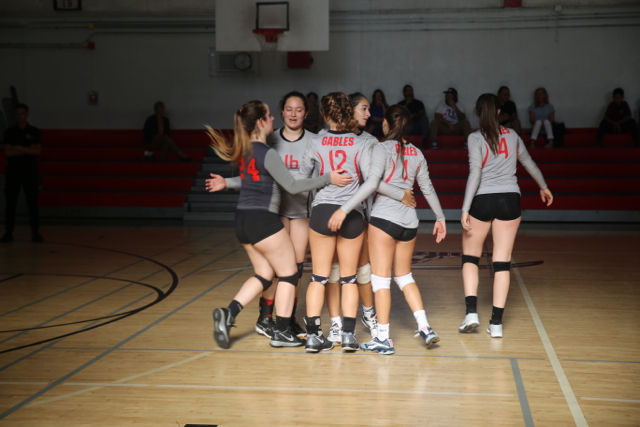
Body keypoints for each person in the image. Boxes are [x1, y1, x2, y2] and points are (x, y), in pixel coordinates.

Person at [205, 100, 352, 349]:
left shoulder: (246, 150)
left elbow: (250, 181)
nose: (274, 118)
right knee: (289, 274)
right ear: (261, 121)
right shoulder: (267, 152)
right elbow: (292, 186)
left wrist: (226, 183)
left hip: (243, 220)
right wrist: (329, 178)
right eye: (270, 115)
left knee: (264, 275)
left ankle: (229, 313)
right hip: (263, 220)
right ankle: (282, 331)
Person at [299, 92, 406, 353]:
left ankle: (314, 336)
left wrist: (324, 179)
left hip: (322, 211)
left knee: (319, 277)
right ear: (348, 114)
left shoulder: (315, 141)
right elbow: (372, 183)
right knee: (349, 278)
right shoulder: (362, 144)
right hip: (352, 215)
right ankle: (348, 335)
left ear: (324, 116)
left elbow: (301, 181)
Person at [324, 93, 415, 346]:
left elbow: (374, 183)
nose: (369, 114)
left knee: (362, 269)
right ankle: (335, 324)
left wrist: (396, 196)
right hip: (331, 212)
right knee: (332, 270)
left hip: (359, 214)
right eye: (363, 109)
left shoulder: (371, 141)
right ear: (349, 111)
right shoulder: (326, 138)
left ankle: (368, 314)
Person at [460, 94, 553, 339]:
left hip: (484, 199)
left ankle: (471, 314)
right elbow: (529, 163)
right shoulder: (512, 136)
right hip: (510, 199)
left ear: (478, 112)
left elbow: (475, 173)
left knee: (470, 258)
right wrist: (543, 186)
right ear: (500, 111)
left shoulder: (474, 137)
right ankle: (497, 323)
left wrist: (465, 208)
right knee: (502, 263)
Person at [360, 105, 447, 355]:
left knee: (380, 281)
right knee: (404, 277)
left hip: (384, 219)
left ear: (385, 124)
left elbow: (373, 183)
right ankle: (426, 328)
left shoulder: (380, 148)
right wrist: (439, 218)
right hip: (410, 221)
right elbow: (428, 189)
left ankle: (384, 340)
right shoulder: (417, 153)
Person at [253, 91, 316, 340]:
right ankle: (266, 317)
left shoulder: (315, 140)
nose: (293, 114)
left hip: (301, 211)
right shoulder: (270, 139)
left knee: (296, 268)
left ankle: (287, 319)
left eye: (298, 109)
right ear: (281, 112)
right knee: (278, 267)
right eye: (288, 109)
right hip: (276, 210)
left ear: (306, 113)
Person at [1, 104, 43, 243]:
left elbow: (37, 151)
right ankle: (8, 233)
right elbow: (8, 152)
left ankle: (35, 232)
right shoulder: (10, 132)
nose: (19, 115)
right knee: (11, 203)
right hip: (13, 172)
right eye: (17, 113)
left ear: (27, 114)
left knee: (32, 203)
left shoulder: (34, 131)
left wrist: (18, 147)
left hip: (29, 172)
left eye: (22, 113)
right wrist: (27, 149)